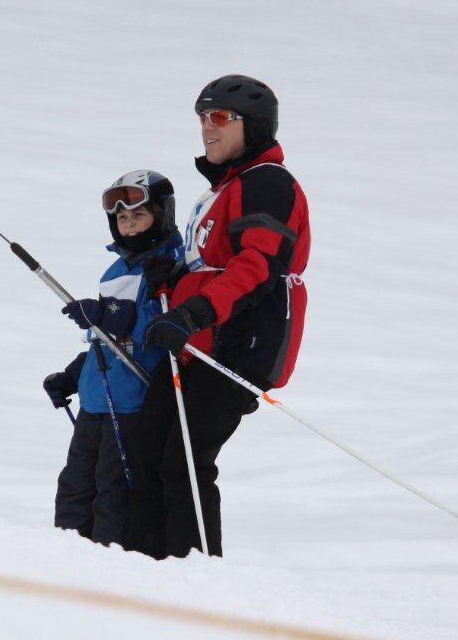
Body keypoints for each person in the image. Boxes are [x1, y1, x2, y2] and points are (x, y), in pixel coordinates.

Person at [121, 75, 311, 559]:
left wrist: (194, 312)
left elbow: (257, 265)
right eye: (203, 117)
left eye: (221, 118)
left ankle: (195, 580)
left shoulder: (268, 183)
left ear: (255, 127)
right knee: (147, 448)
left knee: (185, 460)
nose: (208, 128)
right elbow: (213, 267)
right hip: (196, 341)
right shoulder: (224, 190)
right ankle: (142, 570)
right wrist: (173, 280)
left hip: (237, 344)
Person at [43, 170, 184, 546]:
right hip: (95, 401)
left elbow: (160, 329)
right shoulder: (115, 270)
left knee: (112, 497)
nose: (129, 224)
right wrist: (73, 376)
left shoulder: (171, 266)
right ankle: (65, 565)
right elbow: (103, 341)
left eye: (138, 215)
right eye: (121, 218)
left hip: (133, 405)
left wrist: (112, 316)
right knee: (74, 491)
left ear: (162, 215)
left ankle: (108, 578)